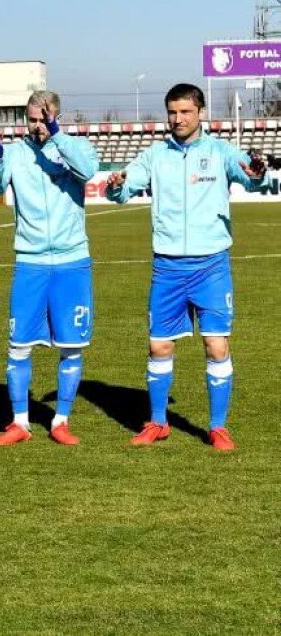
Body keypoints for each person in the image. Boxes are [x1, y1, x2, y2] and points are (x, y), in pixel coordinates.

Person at [106, 83, 267, 451]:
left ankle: (218, 427)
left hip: (211, 266)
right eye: (173, 112)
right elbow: (123, 190)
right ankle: (158, 422)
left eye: (185, 112)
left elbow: (250, 175)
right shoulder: (155, 155)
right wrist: (116, 185)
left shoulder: (220, 151)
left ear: (201, 113)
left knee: (216, 345)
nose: (178, 119)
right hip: (167, 268)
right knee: (159, 346)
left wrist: (256, 172)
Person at [0, 92, 98, 446]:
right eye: (32, 119)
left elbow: (88, 171)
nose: (37, 126)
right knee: (19, 344)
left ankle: (61, 420)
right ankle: (20, 422)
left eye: (44, 119)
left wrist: (57, 135)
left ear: (56, 117)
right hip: (30, 261)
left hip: (71, 260)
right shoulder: (15, 154)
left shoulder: (75, 147)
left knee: (71, 346)